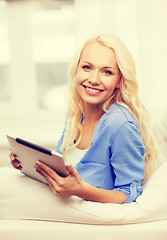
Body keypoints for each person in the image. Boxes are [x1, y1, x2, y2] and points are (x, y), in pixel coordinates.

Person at [10, 33, 157, 204]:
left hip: (90, 219)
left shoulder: (121, 124)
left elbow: (130, 194)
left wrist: (83, 191)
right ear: (76, 70)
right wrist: (31, 165)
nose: (94, 79)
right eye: (87, 67)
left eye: (107, 72)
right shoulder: (76, 116)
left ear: (119, 80)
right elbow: (65, 174)